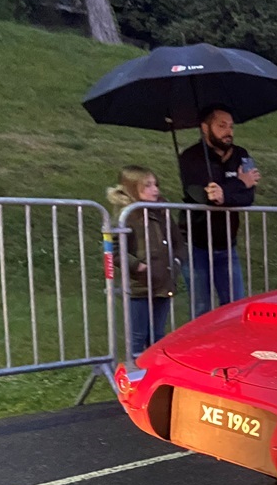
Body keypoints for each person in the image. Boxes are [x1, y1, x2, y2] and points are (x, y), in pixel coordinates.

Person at [178, 105, 261, 315]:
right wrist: (241, 183)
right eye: (221, 126)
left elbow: (248, 197)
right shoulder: (190, 157)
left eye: (231, 126)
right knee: (201, 308)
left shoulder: (242, 155)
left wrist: (225, 193)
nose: (228, 132)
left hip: (227, 244)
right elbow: (202, 196)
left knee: (235, 307)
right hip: (195, 245)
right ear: (205, 128)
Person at [107, 165, 179, 359]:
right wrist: (136, 265)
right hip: (139, 287)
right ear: (132, 188)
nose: (155, 189)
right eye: (147, 186)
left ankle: (153, 372)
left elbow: (177, 240)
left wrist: (177, 261)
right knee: (137, 337)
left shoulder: (162, 211)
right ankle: (134, 375)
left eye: (155, 184)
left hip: (163, 282)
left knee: (158, 335)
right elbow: (112, 250)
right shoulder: (125, 216)